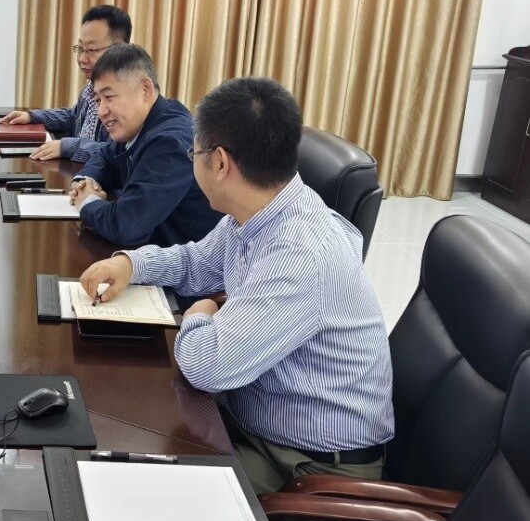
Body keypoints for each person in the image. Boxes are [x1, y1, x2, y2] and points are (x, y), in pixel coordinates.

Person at [80, 77, 394, 494]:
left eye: (194, 153)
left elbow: (207, 366)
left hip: (309, 466)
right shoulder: (259, 211)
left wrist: (200, 313)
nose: (192, 162)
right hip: (254, 417)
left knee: (146, 487)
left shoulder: (300, 254)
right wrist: (130, 263)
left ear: (220, 163)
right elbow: (195, 263)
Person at [68, 44, 220, 248]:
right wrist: (86, 181)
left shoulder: (171, 142)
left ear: (145, 90)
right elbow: (105, 157)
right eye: (97, 100)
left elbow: (126, 226)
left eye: (109, 97)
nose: (101, 111)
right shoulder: (140, 125)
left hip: (179, 264)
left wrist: (87, 201)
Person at [0, 4, 130, 162]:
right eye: (80, 48)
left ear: (119, 50)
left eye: (91, 50)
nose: (82, 59)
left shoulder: (127, 98)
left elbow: (118, 154)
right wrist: (32, 116)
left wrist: (68, 147)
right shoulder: (90, 88)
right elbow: (73, 117)